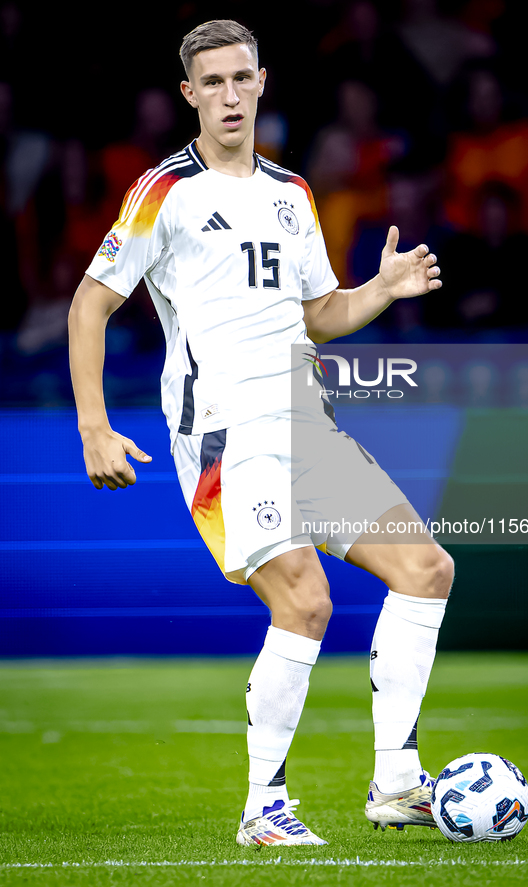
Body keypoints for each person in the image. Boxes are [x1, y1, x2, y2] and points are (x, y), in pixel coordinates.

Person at [68, 19, 453, 847]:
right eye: (212, 83)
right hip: (222, 433)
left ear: (262, 81)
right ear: (189, 95)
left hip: (304, 421)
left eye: (241, 78)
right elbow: (89, 306)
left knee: (425, 569)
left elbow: (318, 314)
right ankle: (263, 807)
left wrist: (378, 290)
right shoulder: (162, 191)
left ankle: (395, 782)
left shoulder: (293, 193)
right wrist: (94, 426)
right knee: (305, 600)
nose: (230, 95)